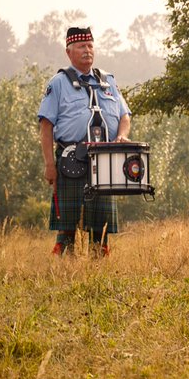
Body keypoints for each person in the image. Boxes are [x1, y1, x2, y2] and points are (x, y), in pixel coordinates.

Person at [38, 27, 131, 256]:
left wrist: (122, 135)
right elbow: (46, 126)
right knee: (67, 225)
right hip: (71, 159)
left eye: (90, 46)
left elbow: (124, 116)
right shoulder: (58, 83)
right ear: (68, 52)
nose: (87, 51)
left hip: (105, 160)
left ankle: (98, 271)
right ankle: (65, 272)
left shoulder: (108, 81)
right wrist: (50, 164)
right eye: (81, 46)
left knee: (101, 224)